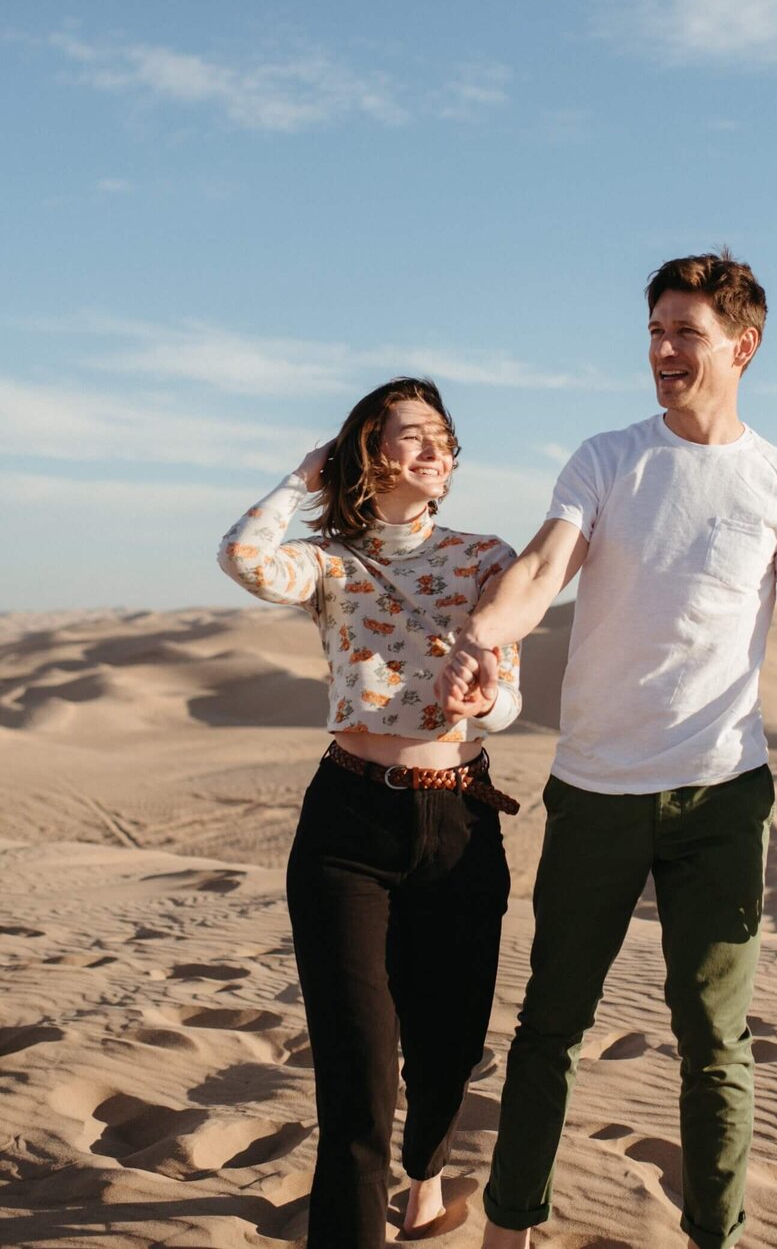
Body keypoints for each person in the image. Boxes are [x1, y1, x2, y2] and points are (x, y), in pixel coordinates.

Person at [436, 251, 777, 1249]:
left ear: (742, 347)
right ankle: (510, 1232)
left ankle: (716, 1237)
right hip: (596, 791)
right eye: (656, 333)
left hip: (722, 796)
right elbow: (543, 570)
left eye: (687, 335)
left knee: (716, 1044)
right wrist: (482, 636)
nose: (664, 352)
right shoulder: (607, 458)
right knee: (550, 1029)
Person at [217, 376, 523, 1248]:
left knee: (449, 1047)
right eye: (414, 436)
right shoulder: (330, 559)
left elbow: (510, 708)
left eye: (444, 439)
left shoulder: (487, 560)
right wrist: (299, 482)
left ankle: (424, 1179)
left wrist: (487, 692)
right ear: (368, 452)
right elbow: (243, 558)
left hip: (460, 817)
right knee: (356, 1074)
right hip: (348, 824)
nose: (438, 452)